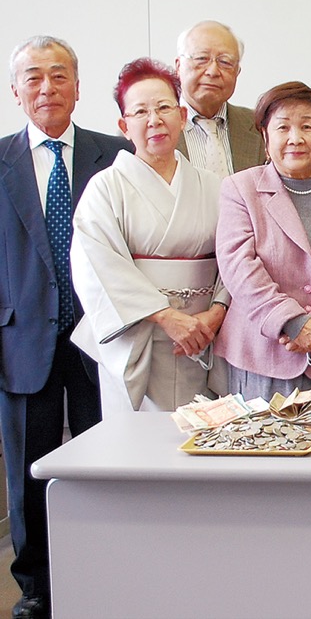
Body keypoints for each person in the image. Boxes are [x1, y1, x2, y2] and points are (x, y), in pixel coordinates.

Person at [0, 36, 128, 619]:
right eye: (33, 78)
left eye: (59, 77)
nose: (46, 88)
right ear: (16, 91)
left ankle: (108, 571)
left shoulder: (115, 153)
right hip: (22, 341)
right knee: (29, 470)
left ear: (78, 87)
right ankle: (36, 587)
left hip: (102, 341)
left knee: (108, 466)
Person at [71, 58, 227, 414]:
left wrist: (216, 314)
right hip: (140, 338)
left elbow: (236, 257)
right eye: (140, 112)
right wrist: (166, 317)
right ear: (124, 126)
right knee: (137, 449)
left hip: (203, 339)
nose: (154, 120)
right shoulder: (105, 188)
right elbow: (98, 266)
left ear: (182, 116)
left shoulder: (213, 186)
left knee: (203, 441)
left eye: (163, 108)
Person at [215, 82, 311, 405]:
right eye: (283, 127)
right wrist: (293, 322)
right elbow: (238, 267)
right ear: (266, 138)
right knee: (263, 452)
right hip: (261, 354)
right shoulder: (241, 189)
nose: (295, 138)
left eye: (307, 126)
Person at [175, 20, 264, 176]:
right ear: (178, 66)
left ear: (237, 72)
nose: (213, 71)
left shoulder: (260, 126)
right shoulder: (153, 127)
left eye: (225, 62)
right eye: (201, 58)